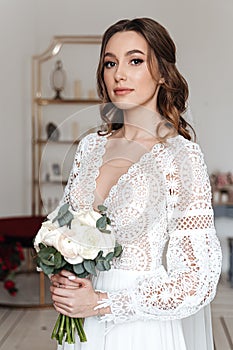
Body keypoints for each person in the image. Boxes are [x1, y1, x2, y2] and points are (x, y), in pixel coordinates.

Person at [50, 17, 222, 350]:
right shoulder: (90, 148)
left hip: (140, 328)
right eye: (110, 63)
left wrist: (102, 303)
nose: (119, 74)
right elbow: (66, 228)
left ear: (161, 73)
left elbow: (197, 282)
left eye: (135, 61)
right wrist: (64, 272)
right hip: (82, 322)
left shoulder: (180, 157)